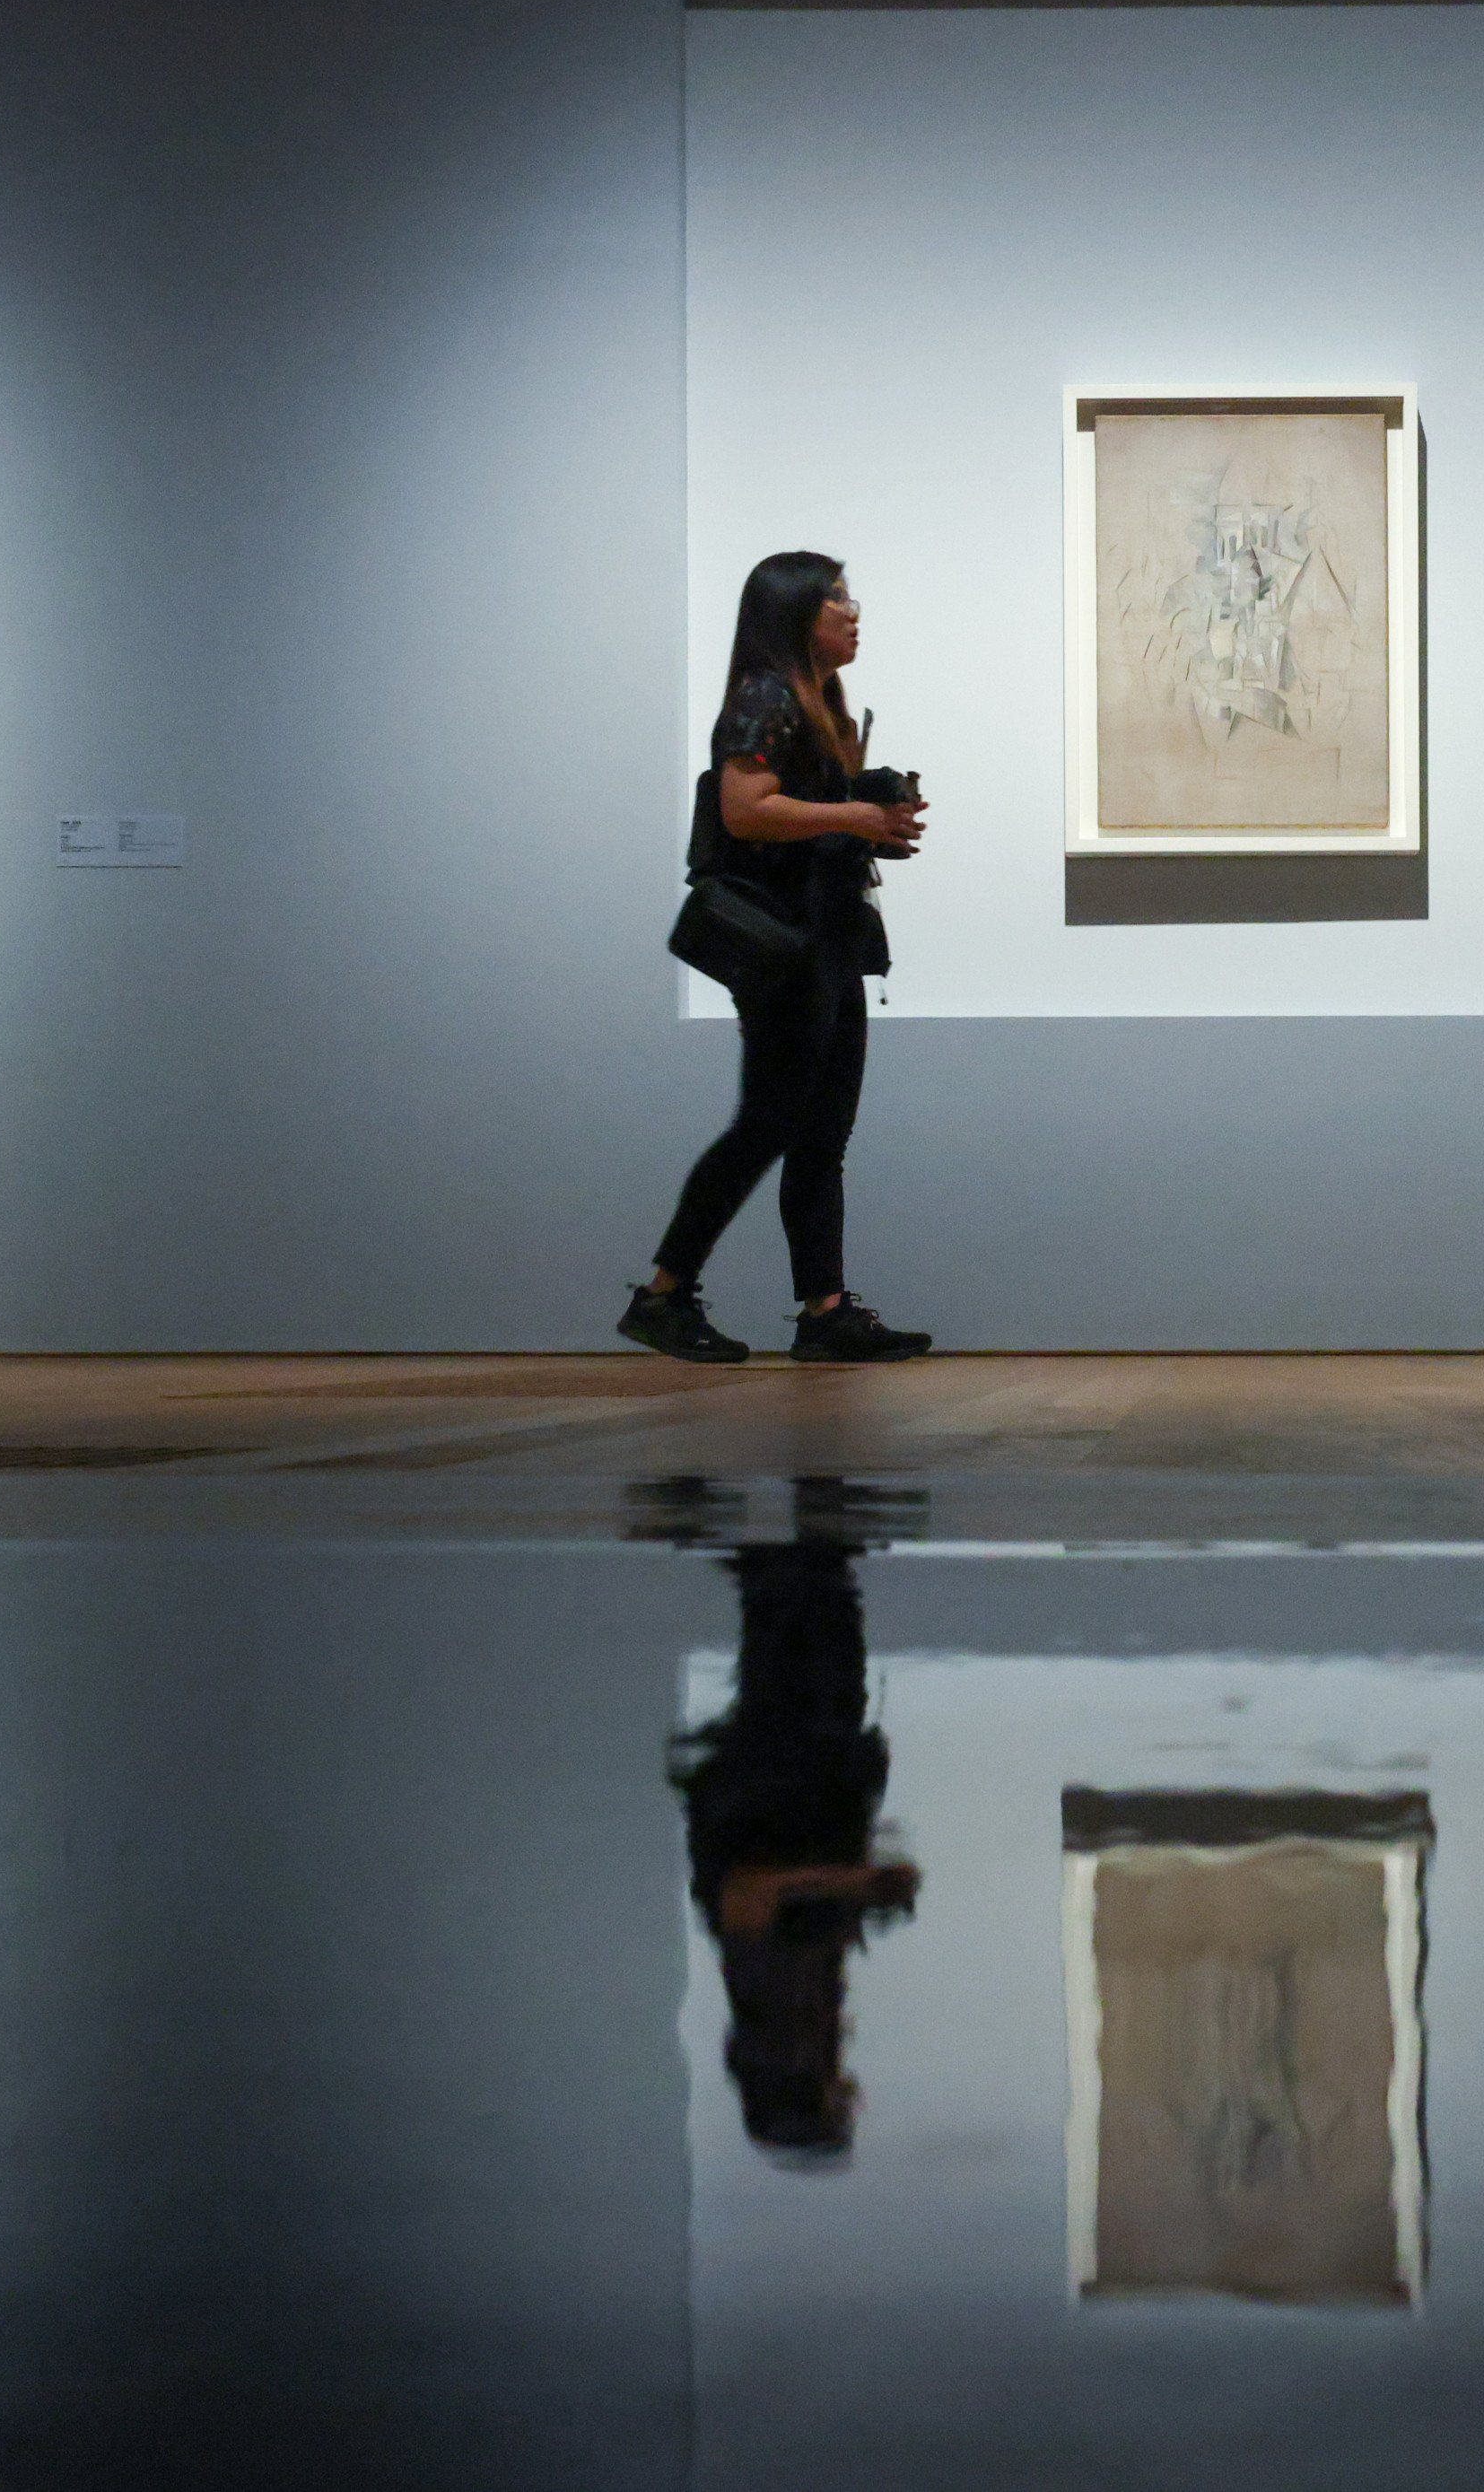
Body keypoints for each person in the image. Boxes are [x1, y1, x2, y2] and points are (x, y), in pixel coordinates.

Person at [624, 552, 936, 1365]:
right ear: (797, 613)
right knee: (765, 1127)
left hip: (826, 942)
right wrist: (854, 815)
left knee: (819, 1135)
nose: (852, 610)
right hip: (786, 946)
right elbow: (746, 809)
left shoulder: (816, 700)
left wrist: (870, 817)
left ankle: (824, 1310)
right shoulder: (764, 696)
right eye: (836, 597)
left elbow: (799, 816)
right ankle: (663, 1295)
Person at [671, 1540, 921, 2162]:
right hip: (793, 1791)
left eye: (840, 2107)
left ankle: (793, 1544)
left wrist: (856, 1884)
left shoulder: (775, 2020)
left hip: (781, 1793)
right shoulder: (786, 2022)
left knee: (806, 1660)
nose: (853, 2095)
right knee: (803, 1653)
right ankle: (787, 1552)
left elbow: (748, 1894)